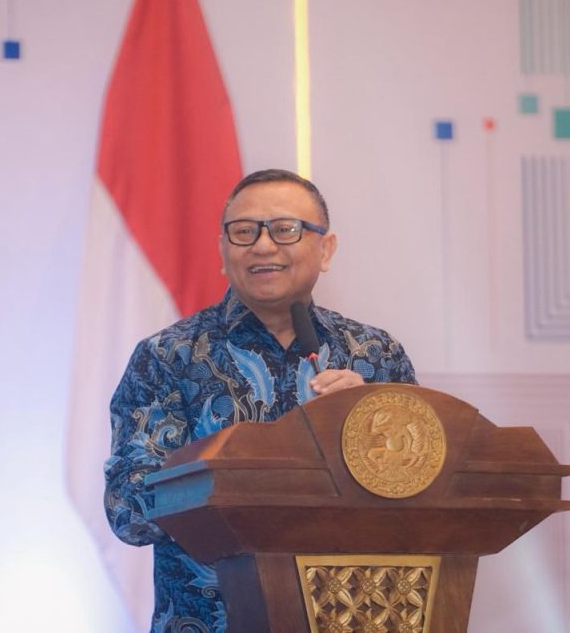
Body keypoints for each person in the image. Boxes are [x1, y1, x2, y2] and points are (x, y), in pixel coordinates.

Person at [104, 169, 417, 632]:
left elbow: (420, 499)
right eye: (245, 232)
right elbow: (127, 510)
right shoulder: (168, 357)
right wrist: (229, 469)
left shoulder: (376, 356)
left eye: (286, 230)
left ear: (325, 249)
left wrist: (375, 423)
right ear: (223, 251)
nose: (264, 246)